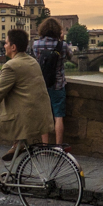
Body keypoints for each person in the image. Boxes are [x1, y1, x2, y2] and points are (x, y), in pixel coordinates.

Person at [0, 29, 54, 192]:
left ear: (13, 47)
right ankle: (17, 143)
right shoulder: (32, 61)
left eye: (5, 43)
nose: (4, 46)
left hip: (24, 118)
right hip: (41, 115)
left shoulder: (11, 66)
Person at [30, 17, 74, 146]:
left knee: (44, 117)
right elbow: (71, 56)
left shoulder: (36, 44)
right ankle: (58, 148)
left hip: (42, 85)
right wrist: (61, 41)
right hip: (58, 85)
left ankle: (44, 147)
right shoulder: (62, 46)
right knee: (58, 117)